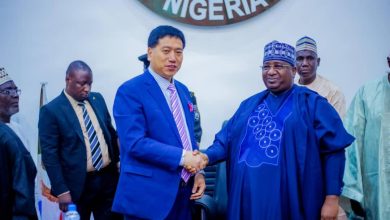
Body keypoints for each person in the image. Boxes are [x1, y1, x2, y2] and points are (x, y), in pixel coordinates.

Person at [201, 41, 355, 219]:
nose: (271, 71)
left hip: (291, 201)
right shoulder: (248, 105)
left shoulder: (313, 104)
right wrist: (205, 157)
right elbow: (224, 141)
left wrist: (331, 199)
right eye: (266, 66)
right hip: (249, 202)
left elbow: (334, 153)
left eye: (278, 66)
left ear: (294, 70)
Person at [112, 25, 206, 220]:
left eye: (178, 52)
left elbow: (188, 137)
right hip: (148, 198)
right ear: (149, 52)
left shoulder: (183, 90)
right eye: (166, 51)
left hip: (184, 195)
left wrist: (198, 171)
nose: (173, 58)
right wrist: (183, 157)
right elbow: (135, 143)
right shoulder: (130, 91)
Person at [38, 61, 122, 220]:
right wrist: (61, 190)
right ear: (68, 80)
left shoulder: (97, 99)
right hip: (77, 186)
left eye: (90, 83)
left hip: (108, 180)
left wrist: (118, 160)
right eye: (82, 84)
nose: (87, 88)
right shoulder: (51, 111)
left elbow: (109, 133)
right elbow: (50, 155)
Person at [342, 54, 390, 220]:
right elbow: (350, 143)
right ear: (389, 61)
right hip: (374, 192)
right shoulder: (367, 93)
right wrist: (353, 193)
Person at [138, 53, 203, 146]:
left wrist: (192, 152)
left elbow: (195, 128)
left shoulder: (184, 93)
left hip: (184, 153)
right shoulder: (137, 95)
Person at [0, 67, 37, 219]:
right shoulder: (4, 136)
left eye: (16, 90)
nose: (16, 95)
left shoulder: (17, 129)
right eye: (8, 91)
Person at [295, 36, 346, 118]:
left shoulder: (333, 92)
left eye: (310, 58)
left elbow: (337, 128)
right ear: (294, 63)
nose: (304, 63)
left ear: (318, 62)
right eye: (300, 58)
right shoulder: (288, 88)